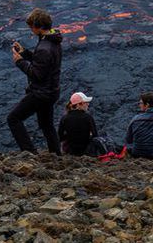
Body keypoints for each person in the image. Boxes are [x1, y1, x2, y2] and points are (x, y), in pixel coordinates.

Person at [9, 8, 63, 155]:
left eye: (31, 26)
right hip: (52, 91)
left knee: (13, 118)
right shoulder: (52, 40)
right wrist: (25, 53)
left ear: (38, 27)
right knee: (47, 125)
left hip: (41, 93)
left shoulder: (45, 47)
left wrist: (20, 61)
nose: (30, 29)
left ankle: (29, 153)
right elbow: (42, 63)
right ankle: (56, 155)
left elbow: (37, 74)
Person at [58, 92, 97, 156]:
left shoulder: (64, 118)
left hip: (70, 151)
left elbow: (60, 136)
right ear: (78, 104)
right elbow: (95, 135)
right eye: (85, 102)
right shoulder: (88, 117)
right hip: (86, 151)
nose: (88, 104)